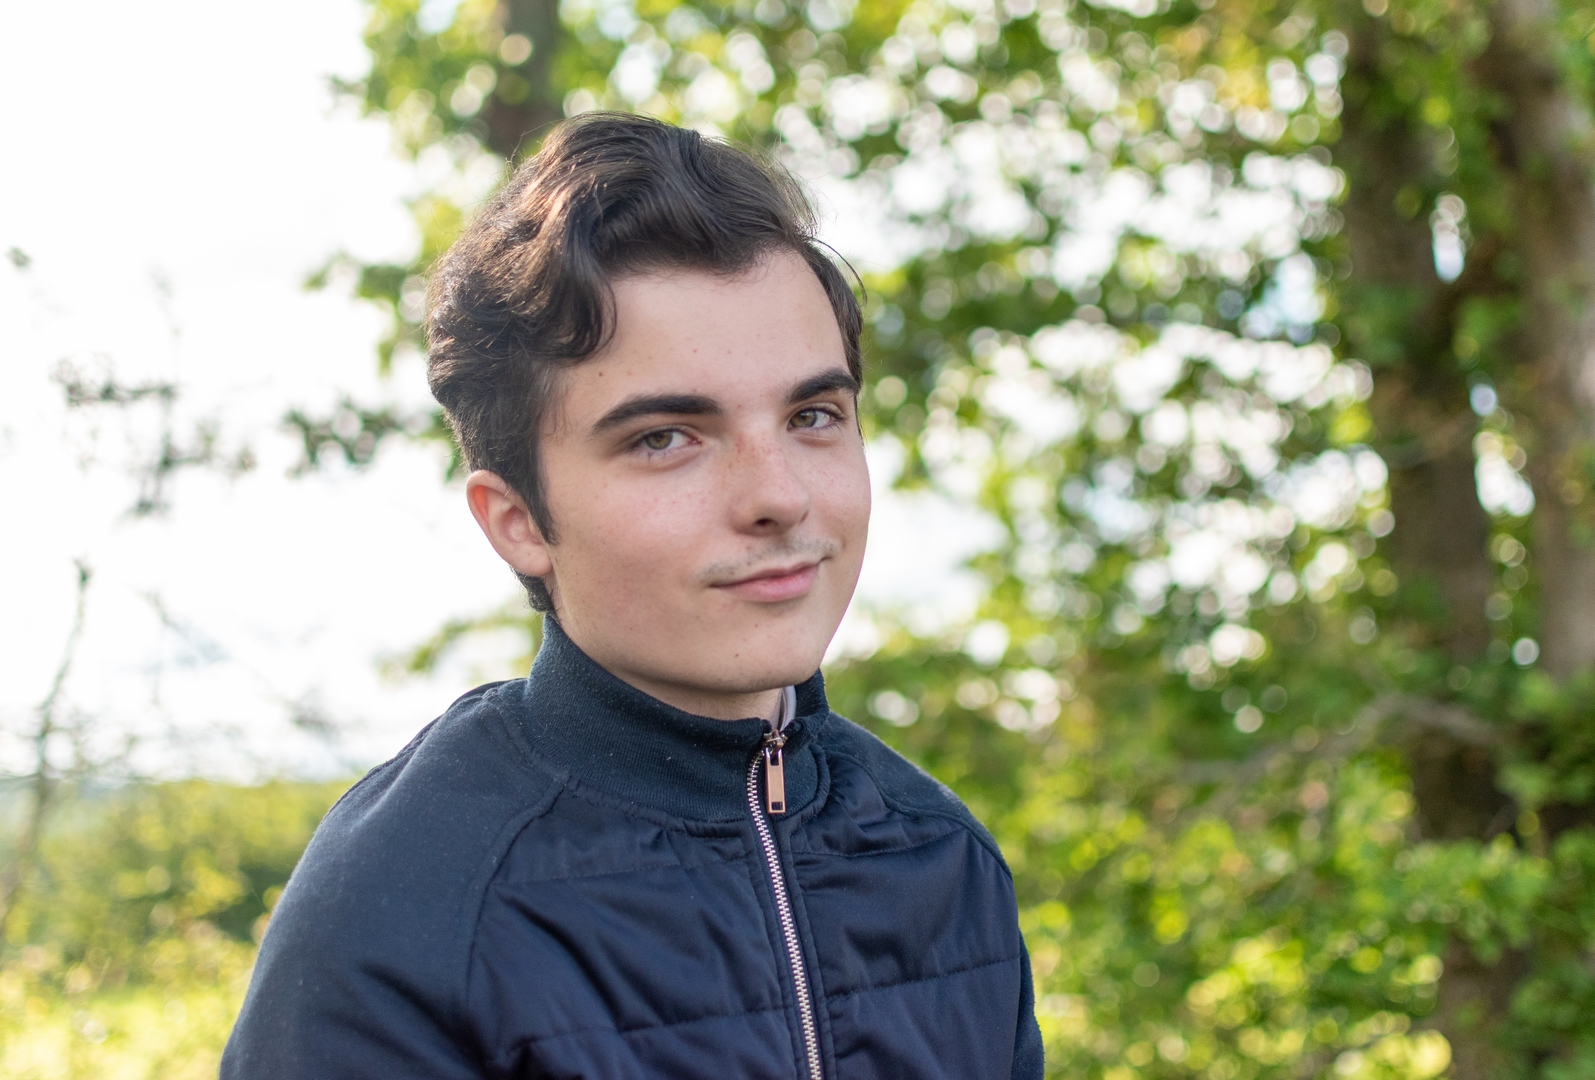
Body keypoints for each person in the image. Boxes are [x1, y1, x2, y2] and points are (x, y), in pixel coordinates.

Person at [222, 113, 1043, 1080]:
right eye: (665, 438)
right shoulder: (409, 910)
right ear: (518, 521)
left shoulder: (941, 861)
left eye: (813, 415)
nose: (779, 496)